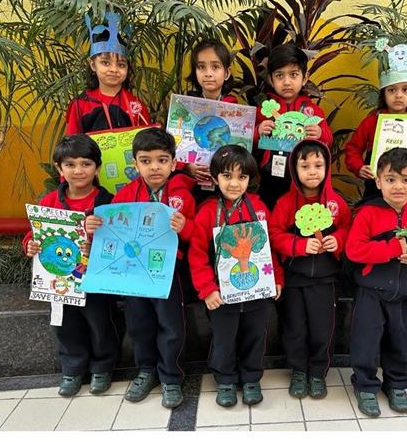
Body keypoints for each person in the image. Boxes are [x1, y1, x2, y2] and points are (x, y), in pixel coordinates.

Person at [85, 127, 195, 409]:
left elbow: (197, 235)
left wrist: (185, 227)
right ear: (135, 164)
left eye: (162, 160)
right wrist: (94, 227)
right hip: (132, 273)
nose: (154, 167)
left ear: (173, 162)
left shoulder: (183, 195)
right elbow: (111, 234)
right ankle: (146, 370)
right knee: (139, 324)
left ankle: (171, 376)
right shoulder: (124, 196)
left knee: (171, 326)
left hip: (168, 272)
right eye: (146, 160)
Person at [346, 147, 407, 416]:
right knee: (365, 342)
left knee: (402, 343)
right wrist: (391, 249)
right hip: (371, 293)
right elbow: (354, 250)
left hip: (406, 294)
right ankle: (365, 385)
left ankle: (397, 385)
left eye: (405, 179)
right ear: (378, 182)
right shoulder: (368, 214)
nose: (398, 186)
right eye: (390, 179)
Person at [23, 135, 120, 397]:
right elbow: (35, 234)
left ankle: (103, 367)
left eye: (86, 164)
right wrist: (30, 245)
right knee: (65, 325)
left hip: (95, 280)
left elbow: (118, 244)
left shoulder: (109, 204)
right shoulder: (49, 202)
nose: (78, 170)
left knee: (101, 323)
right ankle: (73, 368)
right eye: (70, 164)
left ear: (97, 168)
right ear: (59, 168)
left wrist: (97, 237)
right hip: (60, 282)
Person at [188, 145, 284, 408]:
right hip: (221, 295)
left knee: (256, 336)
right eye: (227, 176)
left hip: (257, 291)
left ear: (249, 179)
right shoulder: (207, 212)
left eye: (241, 177)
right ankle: (226, 379)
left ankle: (251, 378)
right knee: (223, 339)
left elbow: (270, 248)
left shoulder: (259, 208)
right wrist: (207, 289)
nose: (234, 183)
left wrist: (276, 278)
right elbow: (197, 255)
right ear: (215, 177)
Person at [269, 140, 351, 399]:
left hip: (326, 280)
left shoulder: (336, 203)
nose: (312, 171)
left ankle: (317, 372)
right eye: (305, 166)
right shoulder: (285, 203)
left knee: (323, 328)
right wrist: (299, 245)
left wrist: (338, 240)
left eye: (318, 165)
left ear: (327, 168)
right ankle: (298, 370)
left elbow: (348, 229)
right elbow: (274, 234)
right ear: (294, 169)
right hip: (295, 278)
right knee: (295, 327)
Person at [344, 40, 407, 202]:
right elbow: (353, 148)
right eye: (392, 90)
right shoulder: (372, 121)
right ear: (383, 93)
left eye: (405, 89)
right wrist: (358, 167)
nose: (399, 95)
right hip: (375, 189)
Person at [254, 44, 333, 210]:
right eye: (279, 75)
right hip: (272, 175)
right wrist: (258, 131)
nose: (287, 82)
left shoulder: (313, 111)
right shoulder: (264, 110)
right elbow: (249, 142)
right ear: (270, 79)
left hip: (303, 176)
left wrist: (320, 133)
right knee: (269, 209)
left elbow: (328, 140)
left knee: (299, 211)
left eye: (294, 74)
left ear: (304, 78)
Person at [65, 11, 151, 135]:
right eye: (105, 63)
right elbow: (71, 143)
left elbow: (148, 143)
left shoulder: (137, 106)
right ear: (93, 65)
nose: (113, 69)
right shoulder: (81, 104)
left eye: (121, 65)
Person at [182, 38, 239, 204]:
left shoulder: (235, 109)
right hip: (193, 183)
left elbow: (241, 145)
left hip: (226, 182)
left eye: (215, 67)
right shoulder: (186, 108)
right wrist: (187, 167)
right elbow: (175, 144)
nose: (208, 73)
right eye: (201, 67)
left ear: (227, 73)